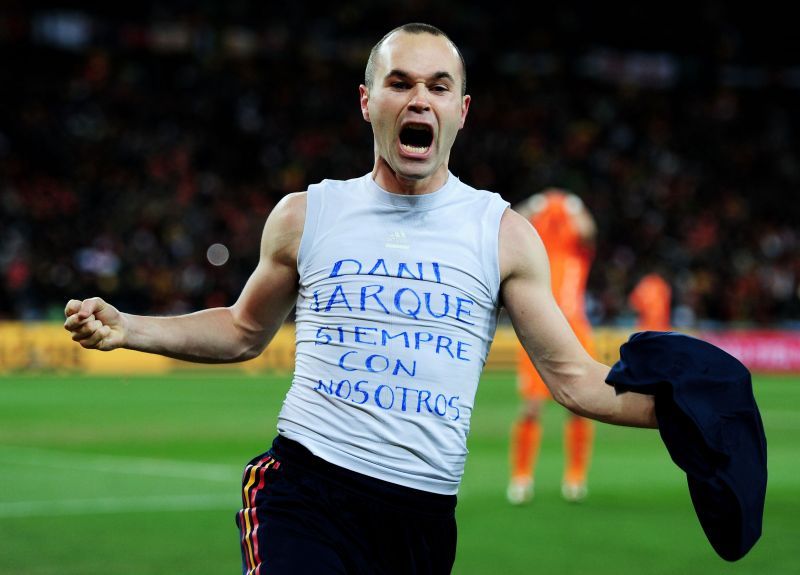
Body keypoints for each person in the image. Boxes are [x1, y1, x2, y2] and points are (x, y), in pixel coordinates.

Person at [64, 23, 656, 575]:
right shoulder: (307, 214)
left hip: (422, 520)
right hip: (305, 493)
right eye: (399, 83)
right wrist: (129, 328)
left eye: (438, 86)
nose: (418, 98)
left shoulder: (503, 234)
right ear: (368, 102)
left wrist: (685, 415)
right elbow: (244, 330)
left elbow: (576, 379)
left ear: (461, 111)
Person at [507, 189, 597, 505]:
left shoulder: (580, 248)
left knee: (579, 406)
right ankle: (521, 477)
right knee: (531, 407)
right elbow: (510, 223)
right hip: (537, 328)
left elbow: (588, 230)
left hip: (575, 331)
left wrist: (574, 204)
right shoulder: (536, 246)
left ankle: (575, 477)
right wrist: (535, 203)